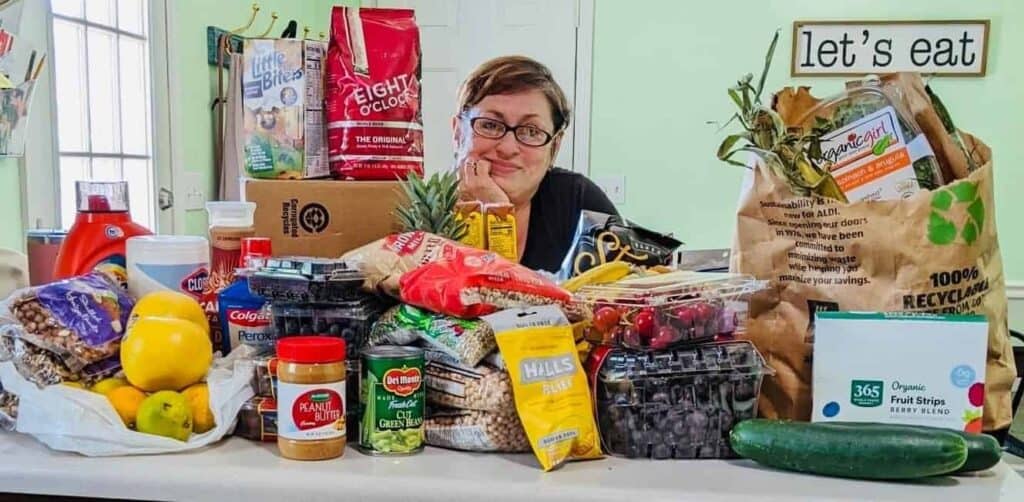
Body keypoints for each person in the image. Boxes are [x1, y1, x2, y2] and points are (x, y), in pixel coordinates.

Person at [453, 55, 617, 273]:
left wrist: (498, 212)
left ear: (555, 146)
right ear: (457, 132)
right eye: (491, 125)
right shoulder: (425, 213)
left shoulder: (577, 200)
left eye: (531, 131)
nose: (508, 148)